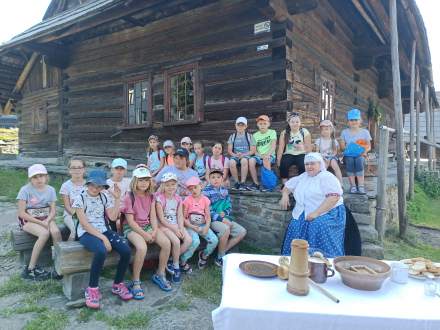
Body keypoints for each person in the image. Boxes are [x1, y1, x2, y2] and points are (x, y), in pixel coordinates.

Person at [72, 169, 133, 309]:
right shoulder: (80, 198)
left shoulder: (103, 197)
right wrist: (103, 239)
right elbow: (84, 224)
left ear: (103, 187)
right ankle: (92, 289)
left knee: (125, 250)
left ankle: (118, 284)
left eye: (99, 186)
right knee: (101, 251)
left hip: (103, 230)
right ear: (87, 184)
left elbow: (112, 217)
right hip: (86, 233)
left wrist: (117, 199)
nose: (95, 188)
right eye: (92, 185)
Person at [280, 153, 346, 258]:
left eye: (312, 164)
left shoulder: (327, 177)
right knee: (295, 225)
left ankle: (325, 260)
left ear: (320, 164)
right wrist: (285, 195)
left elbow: (334, 197)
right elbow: (288, 186)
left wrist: (316, 213)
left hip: (329, 212)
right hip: (305, 211)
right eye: (307, 164)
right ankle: (296, 259)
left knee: (318, 225)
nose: (309, 166)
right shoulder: (303, 177)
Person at [121, 167, 172, 295]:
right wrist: (144, 234)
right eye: (140, 180)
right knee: (142, 247)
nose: (143, 183)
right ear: (134, 181)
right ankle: (136, 280)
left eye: (146, 180)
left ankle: (160, 273)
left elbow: (153, 216)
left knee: (166, 243)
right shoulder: (129, 196)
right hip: (132, 228)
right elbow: (131, 222)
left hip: (148, 225)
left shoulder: (151, 196)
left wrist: (154, 231)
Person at [17, 164, 61, 280]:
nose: (38, 179)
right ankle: (30, 268)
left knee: (56, 232)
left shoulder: (50, 190)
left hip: (46, 217)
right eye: (35, 177)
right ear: (30, 179)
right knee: (44, 233)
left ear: (46, 177)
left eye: (41, 176)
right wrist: (41, 223)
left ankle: (59, 264)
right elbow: (22, 213)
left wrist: (47, 220)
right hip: (28, 219)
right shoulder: (25, 190)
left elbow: (53, 210)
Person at [203, 169, 247, 267]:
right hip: (212, 220)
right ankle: (220, 257)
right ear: (209, 179)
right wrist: (221, 219)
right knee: (226, 229)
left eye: (218, 177)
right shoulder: (205, 192)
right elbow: (207, 211)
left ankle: (220, 253)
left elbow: (229, 206)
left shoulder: (224, 190)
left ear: (222, 179)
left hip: (225, 218)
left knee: (242, 231)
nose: (216, 179)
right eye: (213, 177)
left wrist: (225, 213)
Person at [155, 172, 192, 282]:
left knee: (188, 240)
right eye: (167, 185)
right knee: (175, 241)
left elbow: (179, 215)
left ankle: (170, 260)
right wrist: (174, 229)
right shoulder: (159, 199)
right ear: (163, 186)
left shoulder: (178, 198)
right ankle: (176, 266)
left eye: (173, 184)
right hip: (164, 226)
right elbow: (161, 219)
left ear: (176, 185)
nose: (170, 187)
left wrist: (180, 227)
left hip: (176, 224)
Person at [182, 176, 218, 269]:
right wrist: (192, 227)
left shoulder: (205, 200)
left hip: (202, 225)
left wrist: (206, 227)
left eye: (195, 187)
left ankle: (204, 255)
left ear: (200, 186)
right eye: (190, 189)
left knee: (214, 240)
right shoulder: (187, 200)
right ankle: (183, 260)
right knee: (195, 241)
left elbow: (208, 216)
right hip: (190, 226)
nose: (193, 190)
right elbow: (184, 218)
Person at [340, 108, 372, 194]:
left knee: (359, 160)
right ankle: (353, 186)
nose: (354, 122)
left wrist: (364, 151)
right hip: (349, 154)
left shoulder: (365, 132)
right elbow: (342, 147)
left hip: (361, 154)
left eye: (356, 120)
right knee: (350, 161)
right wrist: (351, 147)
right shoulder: (344, 132)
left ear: (360, 121)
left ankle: (360, 186)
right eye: (351, 120)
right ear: (348, 121)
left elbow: (369, 146)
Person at [277, 112, 312, 184]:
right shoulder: (284, 133)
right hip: (288, 154)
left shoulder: (304, 132)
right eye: (292, 122)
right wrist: (278, 160)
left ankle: (302, 183)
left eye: (297, 122)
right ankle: (285, 184)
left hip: (301, 154)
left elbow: (309, 148)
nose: (295, 124)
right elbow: (281, 148)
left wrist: (302, 147)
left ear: (300, 123)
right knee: (284, 164)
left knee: (302, 165)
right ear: (289, 123)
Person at [60, 158, 86, 241]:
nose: (77, 170)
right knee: (75, 230)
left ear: (84, 169)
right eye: (74, 167)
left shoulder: (89, 184)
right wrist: (76, 214)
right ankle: (67, 251)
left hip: (86, 213)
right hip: (70, 214)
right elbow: (67, 207)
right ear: (69, 170)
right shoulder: (66, 186)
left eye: (79, 167)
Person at [249, 115, 277, 191]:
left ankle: (269, 186)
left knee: (266, 160)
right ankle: (256, 183)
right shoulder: (255, 135)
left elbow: (273, 146)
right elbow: (254, 151)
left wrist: (267, 155)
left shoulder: (272, 132)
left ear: (268, 124)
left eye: (265, 123)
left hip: (270, 155)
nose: (262, 125)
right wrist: (261, 155)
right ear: (257, 125)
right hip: (259, 155)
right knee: (251, 161)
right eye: (260, 124)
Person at [227, 117, 256, 191]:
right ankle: (237, 182)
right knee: (231, 162)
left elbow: (253, 150)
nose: (240, 127)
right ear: (235, 126)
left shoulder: (249, 136)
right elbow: (229, 150)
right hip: (236, 156)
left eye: (242, 125)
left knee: (244, 161)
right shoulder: (232, 136)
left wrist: (244, 155)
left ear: (245, 126)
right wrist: (235, 155)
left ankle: (243, 182)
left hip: (246, 155)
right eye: (238, 125)